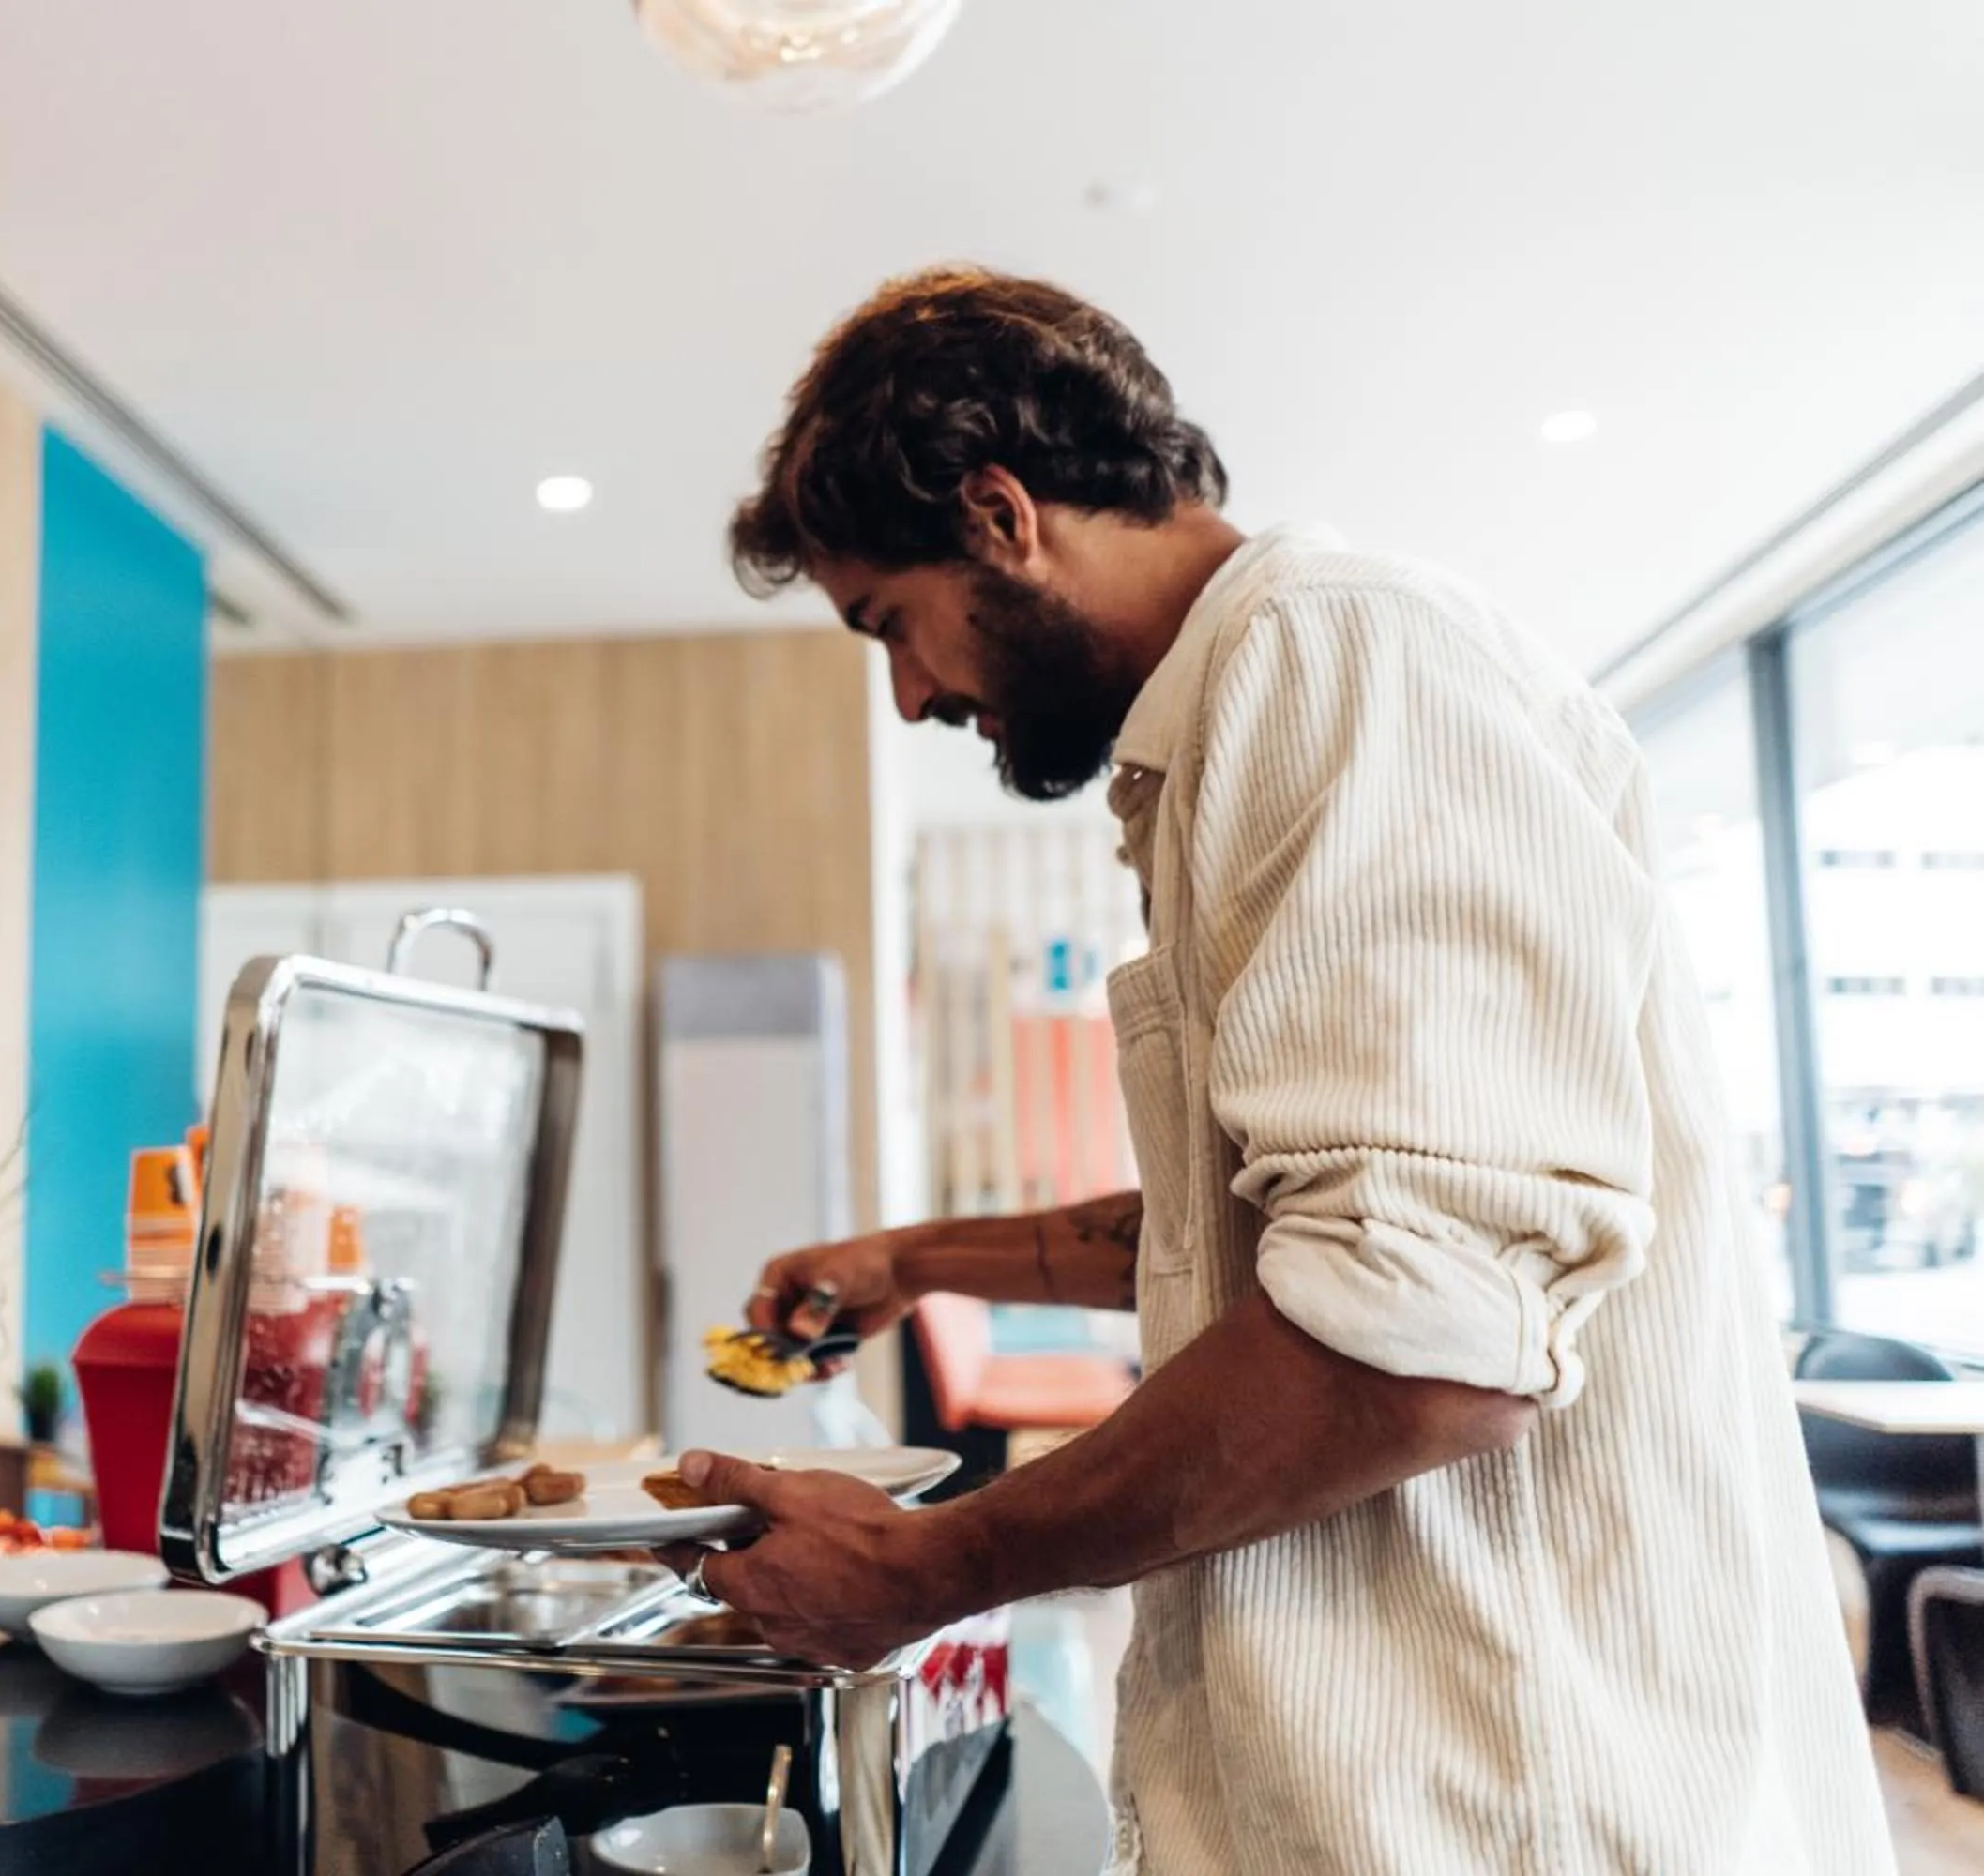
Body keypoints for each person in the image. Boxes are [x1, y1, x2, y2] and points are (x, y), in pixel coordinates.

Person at [689, 267, 1890, 1873]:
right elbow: (1280, 1223)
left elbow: (1419, 1336)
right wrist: (913, 1263)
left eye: (887, 625)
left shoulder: (1335, 663)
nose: (910, 695)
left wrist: (934, 1565)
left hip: (1507, 1810)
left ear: (998, 517)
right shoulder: (1234, 729)